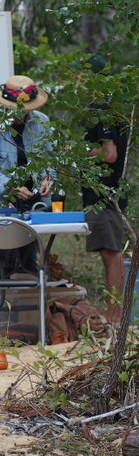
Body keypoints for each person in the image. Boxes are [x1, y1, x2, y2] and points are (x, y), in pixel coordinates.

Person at [0, 74, 54, 274]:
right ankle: (2, 290)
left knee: (28, 256)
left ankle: (31, 294)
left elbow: (50, 161)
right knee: (3, 260)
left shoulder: (42, 122)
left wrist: (48, 180)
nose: (21, 114)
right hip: (0, 200)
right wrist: (11, 186)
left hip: (34, 200)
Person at [78, 55, 128, 323]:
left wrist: (77, 151)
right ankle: (114, 315)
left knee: (113, 255)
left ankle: (115, 317)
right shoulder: (95, 110)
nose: (77, 82)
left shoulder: (103, 111)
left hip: (107, 194)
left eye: (80, 76)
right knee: (107, 254)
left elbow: (109, 154)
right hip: (97, 193)